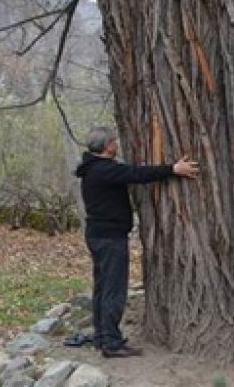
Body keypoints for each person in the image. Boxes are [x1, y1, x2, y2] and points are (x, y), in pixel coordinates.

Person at [73, 126, 199, 358]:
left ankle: (102, 336)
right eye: (113, 141)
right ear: (108, 145)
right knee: (113, 290)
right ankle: (111, 342)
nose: (116, 144)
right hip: (109, 238)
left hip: (99, 235)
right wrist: (173, 168)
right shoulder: (103, 170)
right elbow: (137, 174)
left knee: (102, 288)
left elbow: (131, 173)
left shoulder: (92, 169)